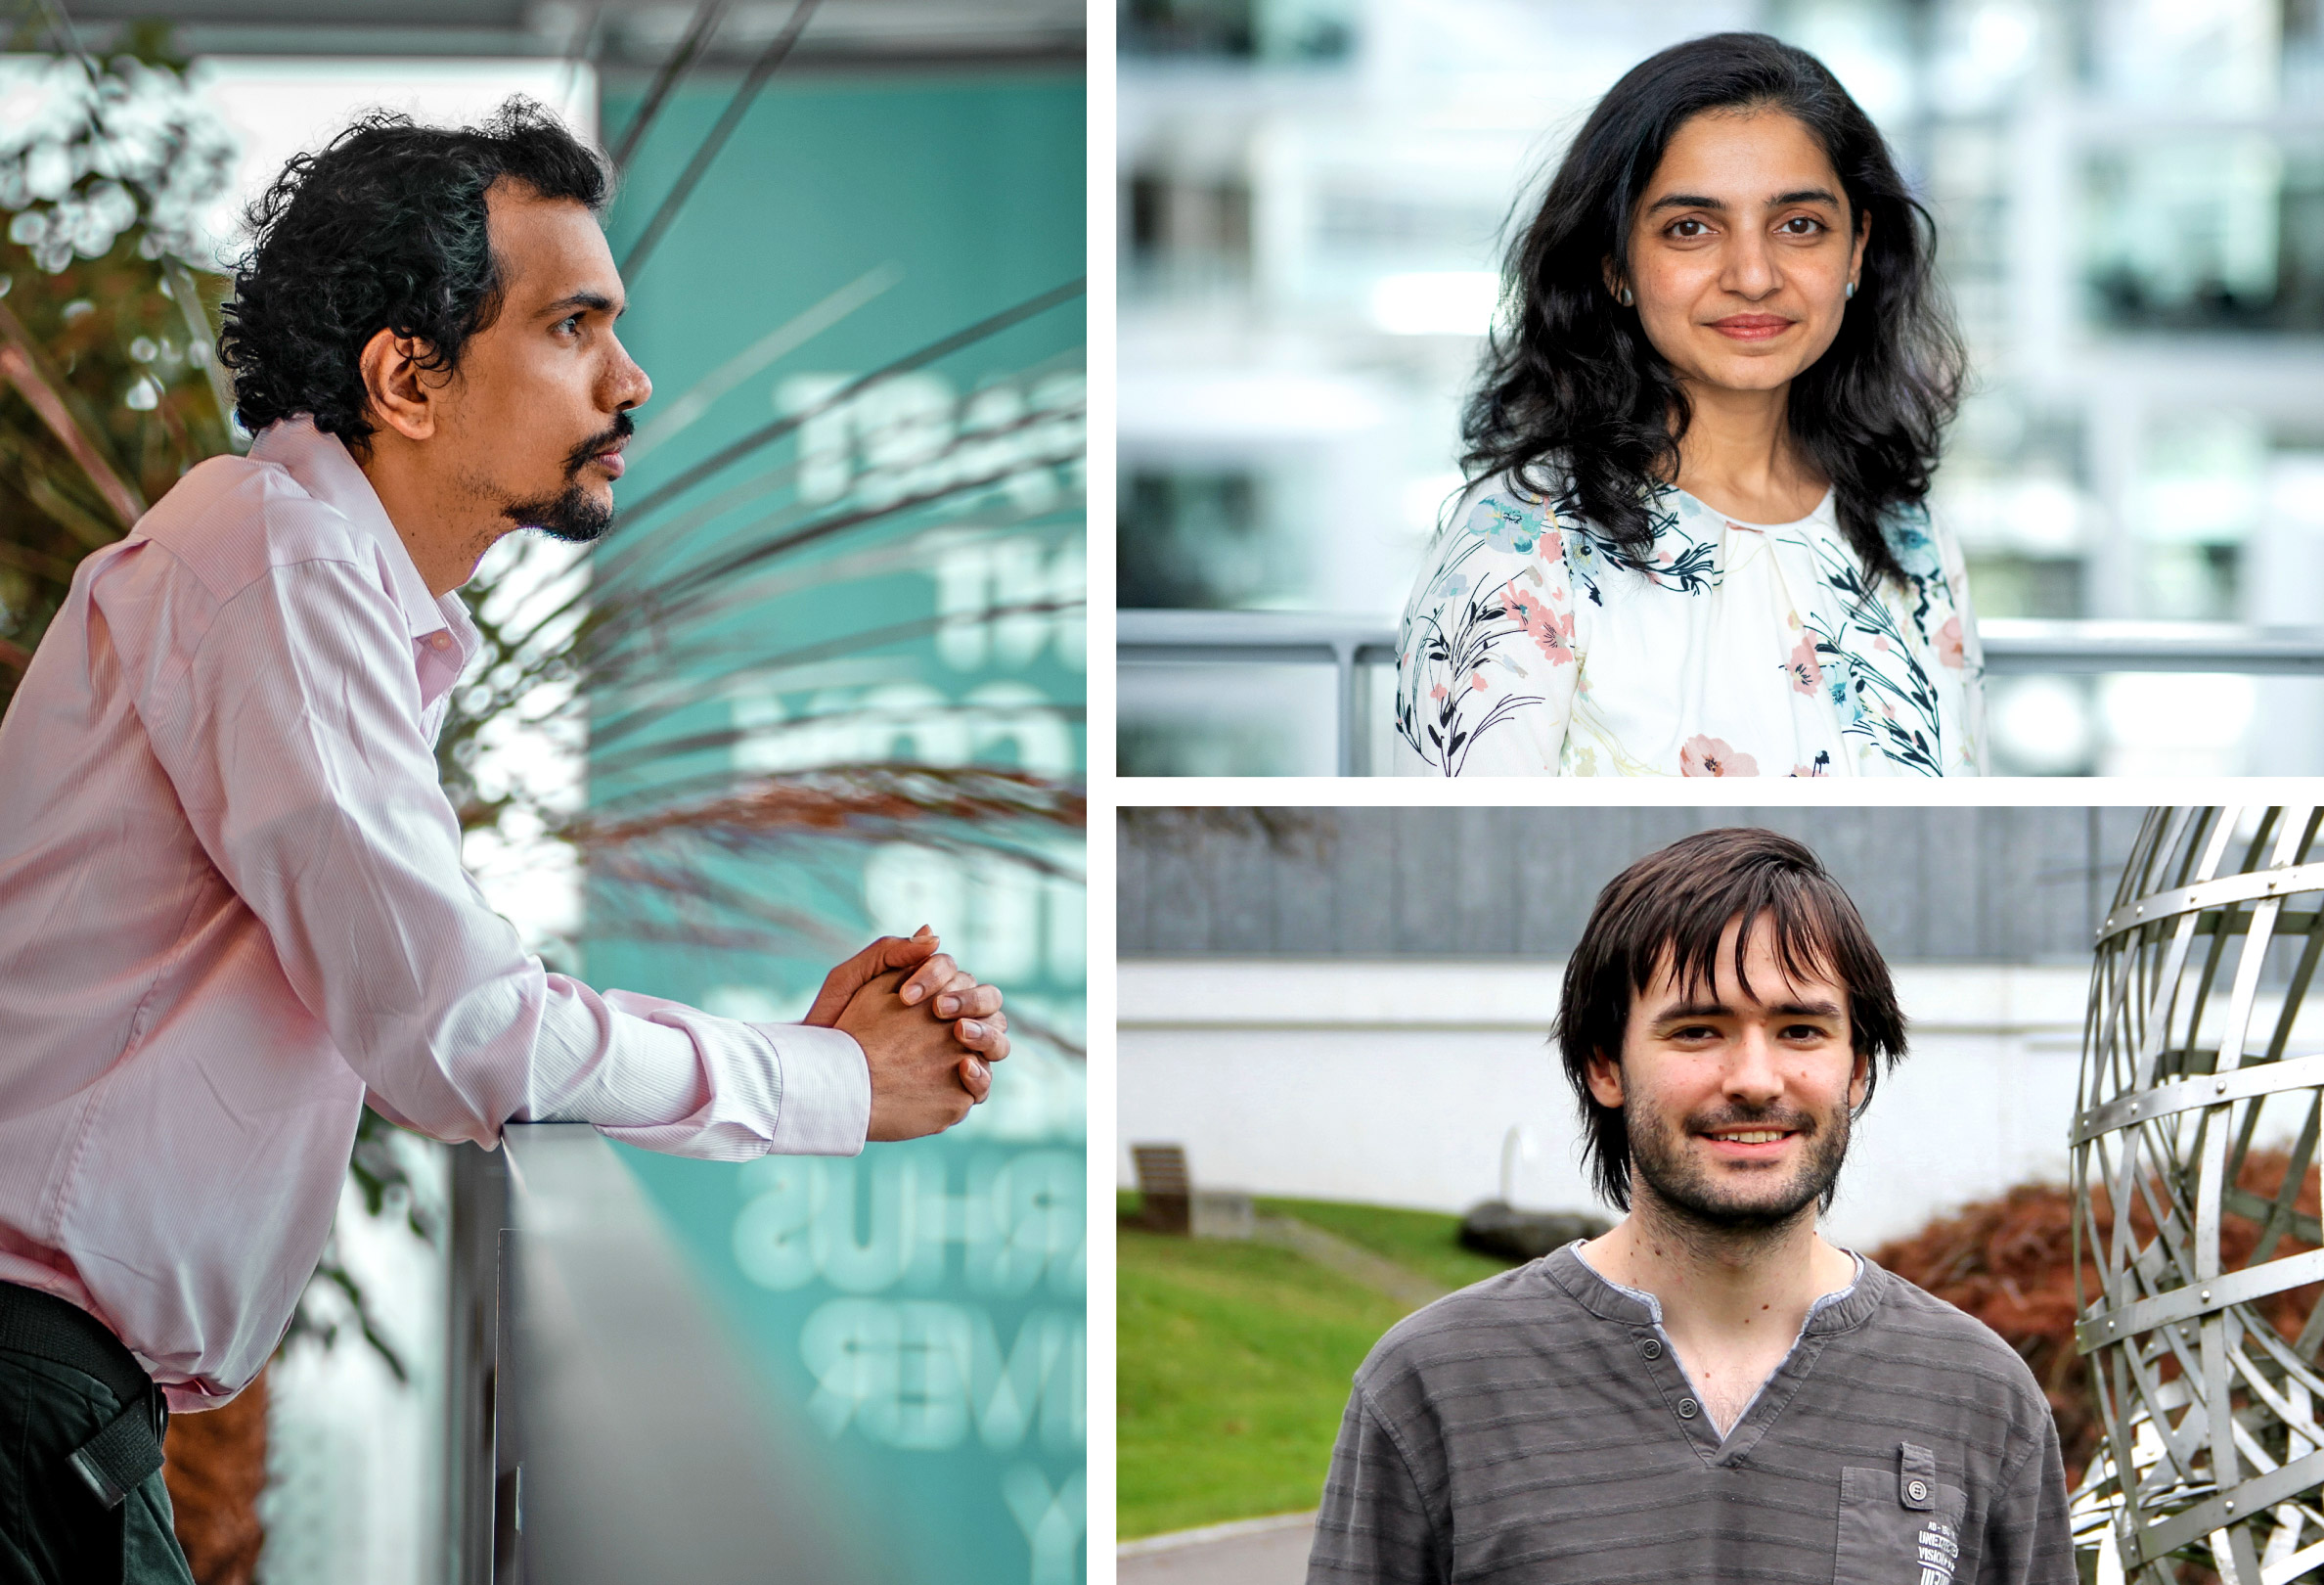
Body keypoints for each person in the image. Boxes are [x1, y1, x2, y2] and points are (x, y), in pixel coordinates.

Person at [0, 103, 1011, 1583]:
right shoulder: (276, 563)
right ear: (407, 376)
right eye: (572, 329)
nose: (632, 378)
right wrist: (835, 1080)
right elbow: (462, 1033)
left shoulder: (294, 567)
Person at [1307, 829, 2073, 1584]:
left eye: (1800, 1030)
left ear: (1857, 1074)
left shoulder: (1980, 1395)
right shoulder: (1435, 1384)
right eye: (1699, 1030)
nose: (1755, 1079)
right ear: (1604, 1066)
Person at [1396, 33, 1981, 777]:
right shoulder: (1515, 547)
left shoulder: (1914, 537)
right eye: (1691, 228)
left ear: (1857, 247)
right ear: (1615, 264)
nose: (1754, 274)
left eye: (1798, 224)